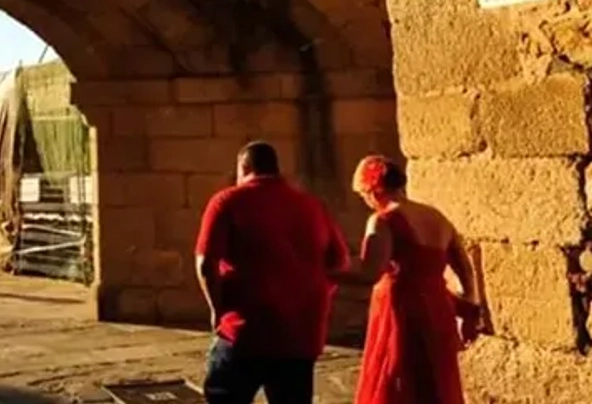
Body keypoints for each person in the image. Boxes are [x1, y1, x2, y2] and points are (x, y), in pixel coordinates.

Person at [194, 141, 350, 404]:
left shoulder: (228, 200)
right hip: (300, 333)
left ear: (244, 167)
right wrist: (311, 292)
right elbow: (339, 263)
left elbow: (205, 262)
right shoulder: (311, 205)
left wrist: (216, 309)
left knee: (224, 396)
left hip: (245, 330)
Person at [334, 155, 480, 404]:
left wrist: (327, 269)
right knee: (436, 382)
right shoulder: (437, 217)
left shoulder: (383, 220)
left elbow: (371, 271)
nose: (366, 202)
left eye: (364, 195)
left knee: (400, 382)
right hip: (438, 309)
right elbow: (465, 270)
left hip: (401, 312)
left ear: (373, 190)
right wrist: (468, 307)